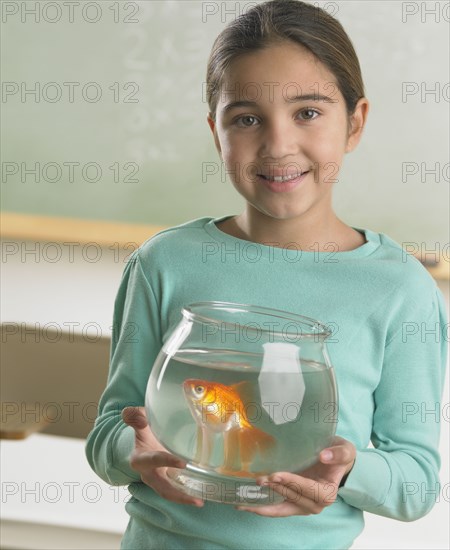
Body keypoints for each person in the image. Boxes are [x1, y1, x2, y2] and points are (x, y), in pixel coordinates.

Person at [85, 1, 448, 548]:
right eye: (247, 118)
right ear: (216, 132)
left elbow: (416, 484)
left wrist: (347, 470)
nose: (278, 145)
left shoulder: (400, 289)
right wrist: (129, 451)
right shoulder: (163, 263)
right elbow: (109, 435)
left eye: (307, 112)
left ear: (355, 122)